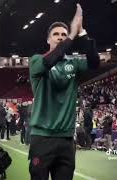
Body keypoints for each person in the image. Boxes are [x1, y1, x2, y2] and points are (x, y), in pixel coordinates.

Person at [28, 4, 100, 180]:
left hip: (66, 140)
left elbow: (94, 63)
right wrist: (71, 35)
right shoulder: (37, 61)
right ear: (48, 40)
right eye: (56, 35)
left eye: (63, 34)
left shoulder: (74, 64)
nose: (60, 38)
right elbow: (52, 59)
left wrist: (81, 32)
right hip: (42, 138)